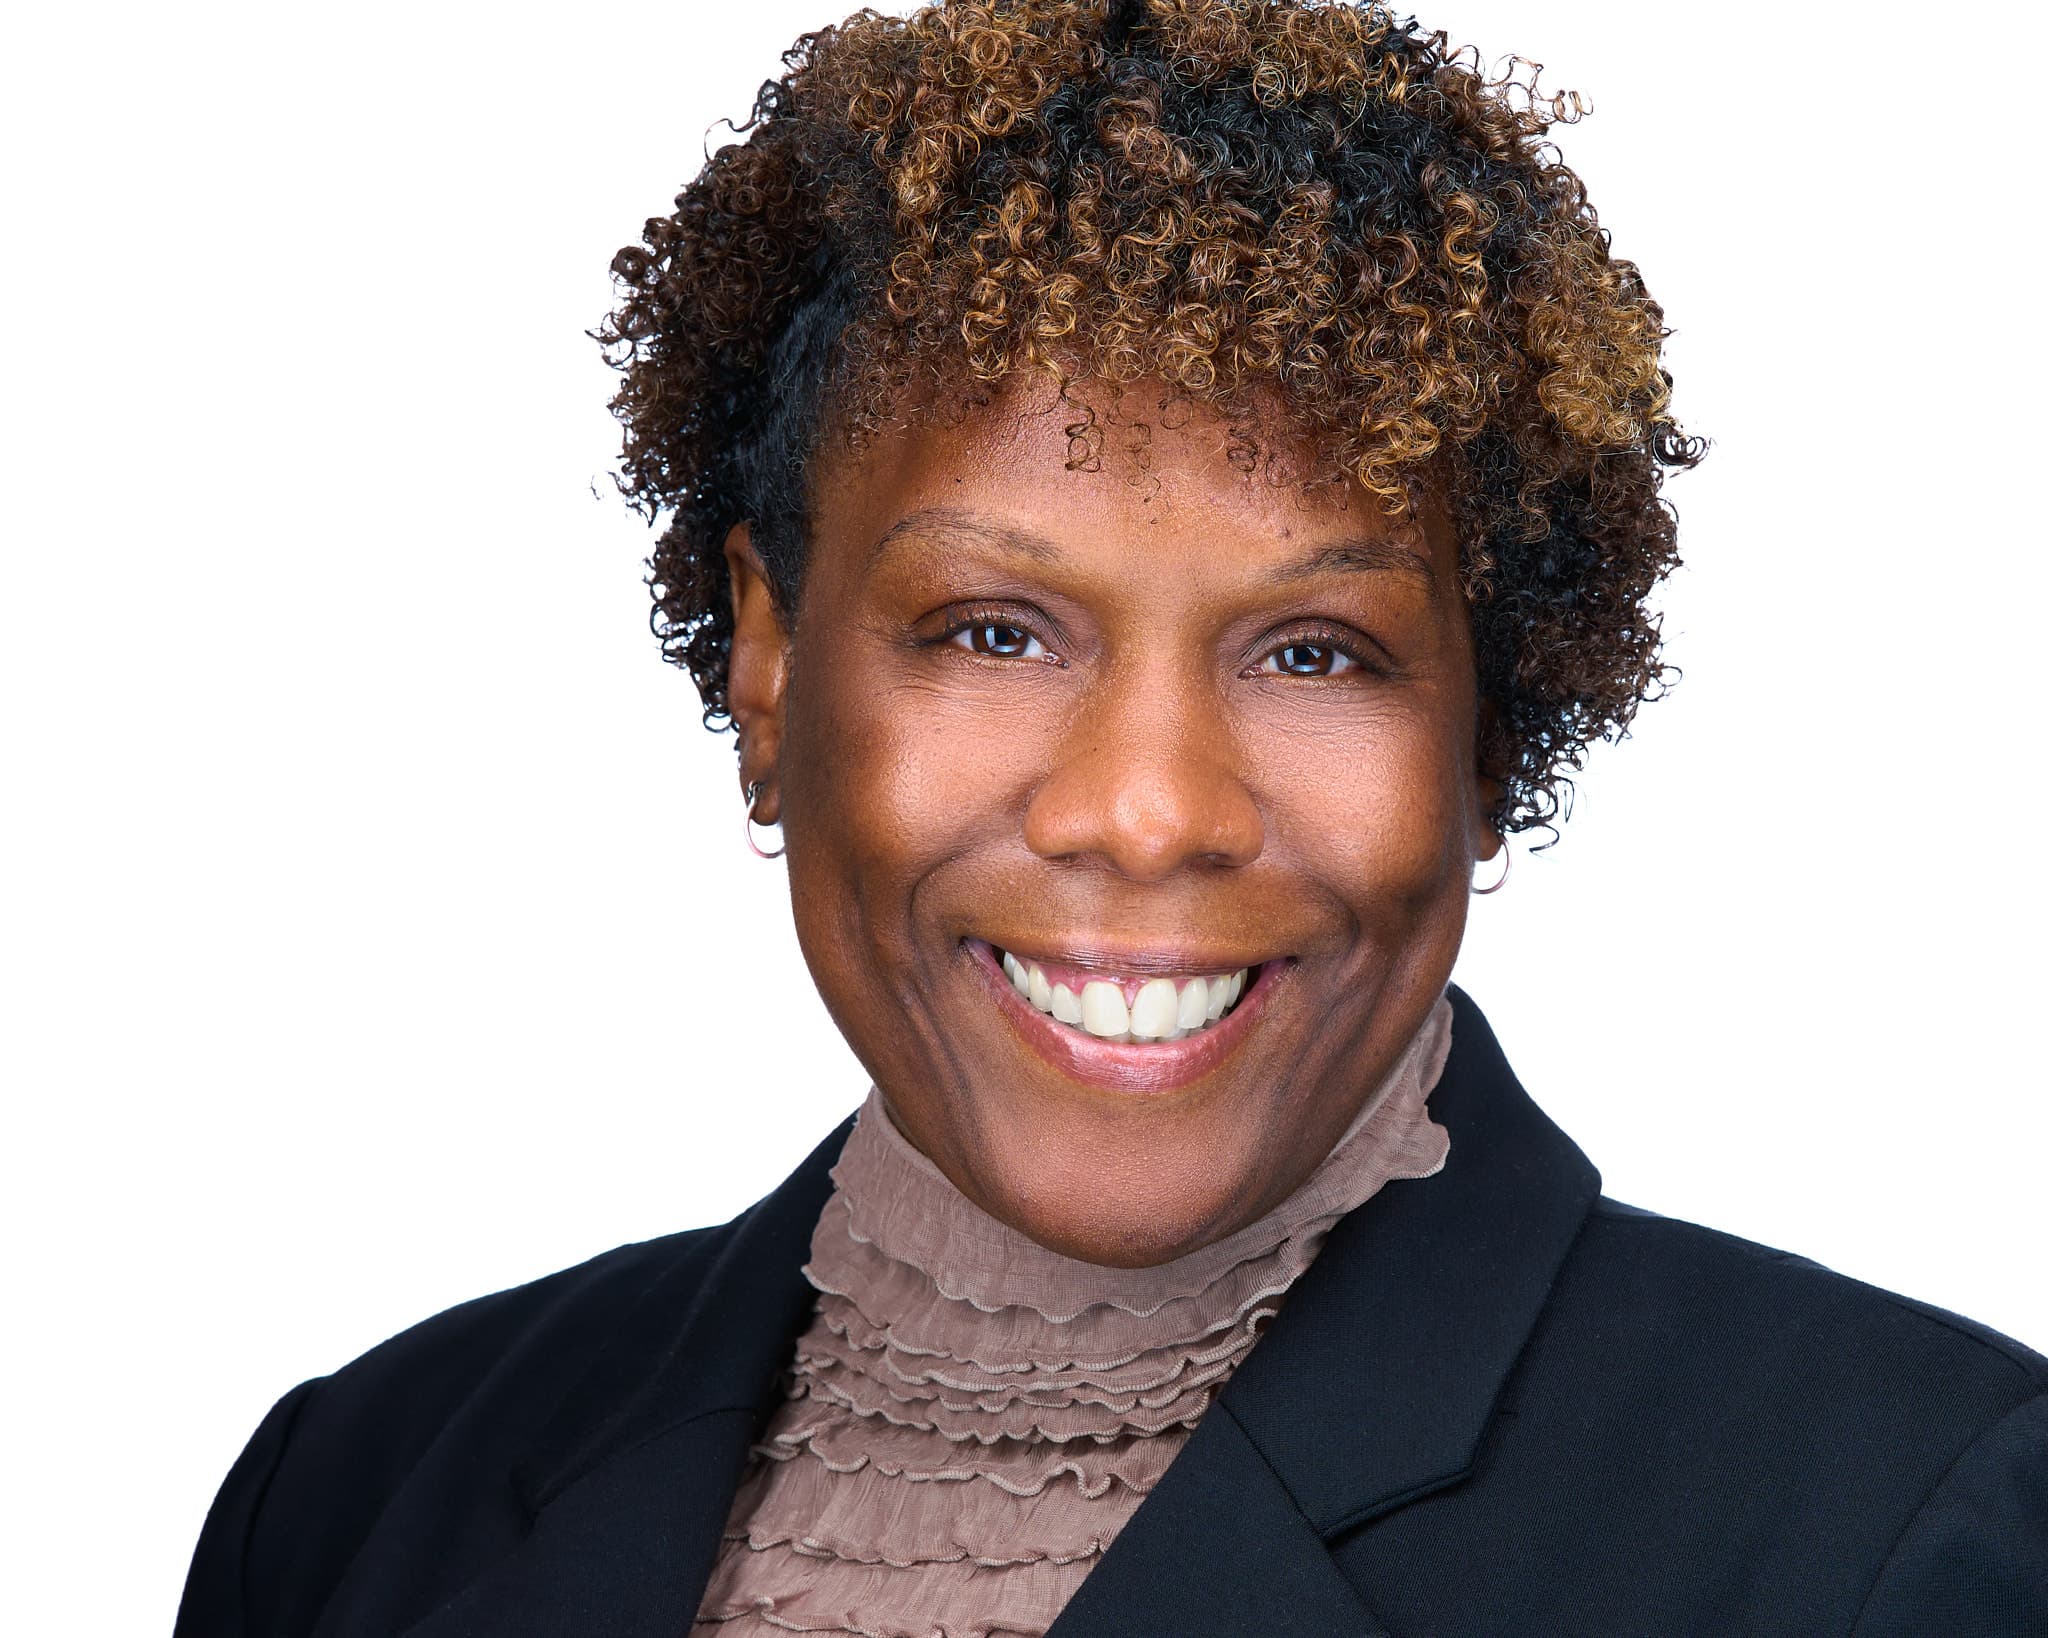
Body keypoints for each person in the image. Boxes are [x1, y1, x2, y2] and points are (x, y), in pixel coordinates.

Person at [174, 2, 2048, 1633]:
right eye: (994, 628)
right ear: (770, 662)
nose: (1147, 814)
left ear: (1490, 734)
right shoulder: (355, 1497)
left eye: (1316, 652)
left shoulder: (1908, 1528)